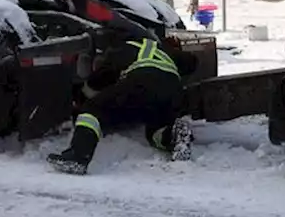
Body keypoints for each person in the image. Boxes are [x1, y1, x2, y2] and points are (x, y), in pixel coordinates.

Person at [47, 32, 197, 175]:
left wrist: (83, 96)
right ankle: (176, 134)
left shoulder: (125, 48)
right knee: (155, 132)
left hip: (142, 81)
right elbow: (192, 62)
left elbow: (101, 77)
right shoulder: (166, 50)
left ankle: (78, 156)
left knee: (92, 109)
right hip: (173, 90)